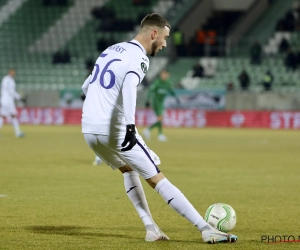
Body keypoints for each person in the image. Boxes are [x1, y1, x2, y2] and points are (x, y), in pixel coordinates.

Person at [81, 13, 237, 244]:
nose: (165, 44)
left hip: (89, 130)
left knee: (128, 170)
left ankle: (151, 228)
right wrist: (130, 125)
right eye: (164, 38)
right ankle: (206, 229)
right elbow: (130, 88)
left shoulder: (112, 50)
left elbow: (86, 86)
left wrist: (101, 110)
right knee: (157, 179)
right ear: (153, 33)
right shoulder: (140, 58)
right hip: (116, 130)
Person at [143, 69, 179, 142]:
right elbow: (151, 90)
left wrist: (176, 97)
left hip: (161, 102)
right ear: (161, 75)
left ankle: (152, 132)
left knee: (160, 119)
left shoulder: (168, 83)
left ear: (168, 75)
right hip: (156, 102)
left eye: (166, 74)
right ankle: (157, 133)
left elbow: (171, 91)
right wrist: (148, 99)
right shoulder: (157, 82)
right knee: (160, 118)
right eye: (163, 74)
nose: (164, 76)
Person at [0, 69, 24, 137]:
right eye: (12, 72)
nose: (13, 73)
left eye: (14, 72)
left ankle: (17, 132)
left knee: (12, 115)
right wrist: (19, 97)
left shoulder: (11, 80)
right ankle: (17, 132)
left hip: (9, 101)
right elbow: (11, 91)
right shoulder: (6, 79)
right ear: (9, 72)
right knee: (4, 116)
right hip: (6, 101)